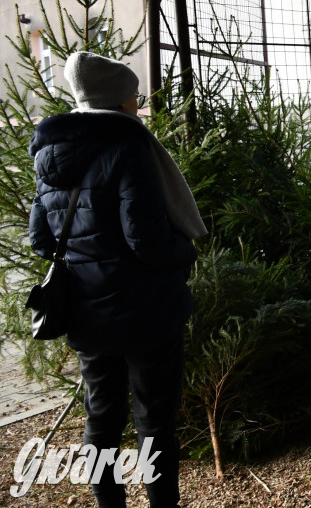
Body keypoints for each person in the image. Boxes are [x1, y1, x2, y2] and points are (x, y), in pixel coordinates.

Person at [29, 52, 207, 508]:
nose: (136, 103)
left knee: (101, 421)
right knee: (153, 423)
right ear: (119, 100)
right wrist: (185, 251)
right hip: (144, 311)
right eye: (133, 95)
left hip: (88, 315)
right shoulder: (129, 146)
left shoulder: (48, 153)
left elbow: (41, 239)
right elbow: (145, 239)